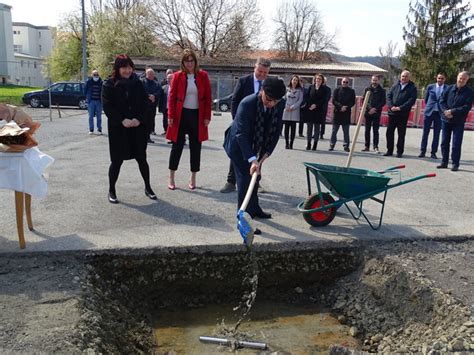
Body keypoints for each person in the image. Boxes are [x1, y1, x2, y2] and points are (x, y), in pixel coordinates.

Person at [223, 76, 286, 226]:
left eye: (275, 101)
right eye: (269, 99)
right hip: (238, 145)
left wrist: (265, 155)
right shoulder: (247, 103)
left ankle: (255, 209)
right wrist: (252, 159)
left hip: (259, 143)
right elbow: (241, 134)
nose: (271, 104)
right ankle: (244, 219)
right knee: (245, 180)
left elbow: (276, 130)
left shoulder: (279, 103)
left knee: (256, 178)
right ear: (262, 91)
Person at [102, 54, 156, 204]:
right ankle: (111, 190)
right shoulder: (108, 84)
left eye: (129, 67)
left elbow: (145, 104)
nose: (127, 70)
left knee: (142, 158)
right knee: (117, 161)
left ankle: (148, 187)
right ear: (117, 68)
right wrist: (121, 120)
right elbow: (107, 106)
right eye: (124, 67)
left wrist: (138, 119)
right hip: (119, 128)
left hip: (136, 127)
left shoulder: (137, 83)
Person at [220, 57, 271, 193]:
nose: (262, 75)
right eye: (260, 71)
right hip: (242, 123)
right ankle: (231, 182)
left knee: (257, 154)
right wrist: (237, 120)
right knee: (237, 151)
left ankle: (255, 182)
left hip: (259, 125)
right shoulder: (243, 81)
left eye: (265, 73)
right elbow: (235, 101)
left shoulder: (267, 84)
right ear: (255, 67)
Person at [166, 49, 211, 190]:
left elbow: (208, 97)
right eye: (187, 61)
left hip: (197, 115)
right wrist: (170, 116)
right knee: (177, 146)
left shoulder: (203, 75)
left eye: (192, 60)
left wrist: (207, 117)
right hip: (181, 115)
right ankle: (172, 177)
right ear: (183, 62)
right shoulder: (177, 76)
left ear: (195, 62)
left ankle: (193, 177)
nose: (189, 63)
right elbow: (172, 97)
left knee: (195, 147)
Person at [437, 71, 473, 172]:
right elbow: (441, 101)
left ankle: (455, 163)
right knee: (444, 142)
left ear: (467, 80)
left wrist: (452, 111)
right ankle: (444, 162)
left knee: (456, 144)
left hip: (458, 121)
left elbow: (466, 107)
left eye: (464, 79)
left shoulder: (470, 92)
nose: (461, 80)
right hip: (446, 120)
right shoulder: (448, 88)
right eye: (460, 78)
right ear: (457, 77)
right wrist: (445, 111)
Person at [385, 70, 418, 158]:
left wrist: (400, 108)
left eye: (406, 76)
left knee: (401, 133)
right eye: (403, 76)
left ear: (409, 78)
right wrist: (391, 106)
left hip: (402, 114)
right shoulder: (395, 85)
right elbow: (389, 96)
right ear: (400, 76)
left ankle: (399, 152)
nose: (404, 78)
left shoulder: (412, 88)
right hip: (392, 113)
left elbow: (411, 100)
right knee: (389, 132)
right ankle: (389, 150)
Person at [418, 73, 446, 159]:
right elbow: (426, 99)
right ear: (436, 78)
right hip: (429, 112)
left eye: (442, 78)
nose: (440, 80)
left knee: (436, 134)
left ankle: (433, 152)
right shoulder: (430, 87)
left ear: (444, 79)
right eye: (438, 78)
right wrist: (430, 107)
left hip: (439, 113)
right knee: (425, 133)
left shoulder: (447, 88)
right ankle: (422, 151)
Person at [302, 73, 327, 151]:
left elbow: (324, 99)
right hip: (310, 109)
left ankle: (315, 144)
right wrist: (310, 105)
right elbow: (307, 97)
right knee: (309, 128)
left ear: (322, 80)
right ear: (315, 79)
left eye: (319, 79)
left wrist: (316, 105)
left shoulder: (324, 89)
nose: (318, 80)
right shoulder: (311, 87)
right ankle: (308, 143)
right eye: (317, 79)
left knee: (316, 128)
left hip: (318, 110)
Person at [329, 78, 356, 152]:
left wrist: (346, 107)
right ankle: (332, 144)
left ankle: (346, 146)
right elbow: (334, 100)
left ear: (349, 83)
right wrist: (340, 106)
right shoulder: (336, 90)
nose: (345, 83)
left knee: (346, 131)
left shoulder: (351, 91)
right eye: (344, 82)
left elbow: (353, 102)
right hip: (337, 112)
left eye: (346, 82)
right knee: (334, 130)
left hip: (346, 113)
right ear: (341, 82)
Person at [362, 75, 386, 153]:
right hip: (368, 112)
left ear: (378, 81)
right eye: (373, 80)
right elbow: (364, 100)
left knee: (375, 130)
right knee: (367, 130)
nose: (374, 82)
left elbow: (383, 102)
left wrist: (375, 109)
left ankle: (375, 146)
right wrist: (369, 108)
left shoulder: (382, 90)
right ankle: (366, 146)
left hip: (376, 113)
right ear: (371, 80)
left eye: (376, 80)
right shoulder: (367, 89)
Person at [141, 68, 163, 143]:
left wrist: (154, 96)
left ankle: (148, 137)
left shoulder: (156, 83)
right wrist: (148, 96)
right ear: (146, 74)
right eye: (149, 73)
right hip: (143, 106)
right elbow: (140, 91)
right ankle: (142, 137)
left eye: (152, 74)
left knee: (150, 121)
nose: (151, 75)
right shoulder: (142, 82)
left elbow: (159, 91)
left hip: (152, 106)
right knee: (143, 121)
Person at [282, 75, 304, 149]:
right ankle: (286, 143)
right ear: (291, 80)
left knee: (293, 129)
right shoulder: (286, 89)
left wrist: (293, 107)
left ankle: (291, 143)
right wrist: (286, 106)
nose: (295, 81)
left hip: (294, 111)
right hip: (287, 110)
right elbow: (283, 98)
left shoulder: (300, 91)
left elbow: (300, 100)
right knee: (286, 128)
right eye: (294, 80)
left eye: (296, 80)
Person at [84, 69, 103, 135]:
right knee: (90, 116)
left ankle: (99, 129)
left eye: (97, 74)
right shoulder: (89, 82)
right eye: (94, 74)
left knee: (99, 116)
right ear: (92, 75)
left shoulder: (101, 82)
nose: (96, 76)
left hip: (99, 102)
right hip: (91, 101)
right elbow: (85, 90)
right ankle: (91, 129)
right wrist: (86, 98)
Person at [159, 72, 173, 137]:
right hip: (166, 107)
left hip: (173, 109)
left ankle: (172, 134)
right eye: (167, 78)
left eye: (170, 78)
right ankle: (166, 131)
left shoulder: (177, 87)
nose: (168, 80)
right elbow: (161, 98)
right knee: (165, 120)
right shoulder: (164, 87)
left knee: (173, 122)